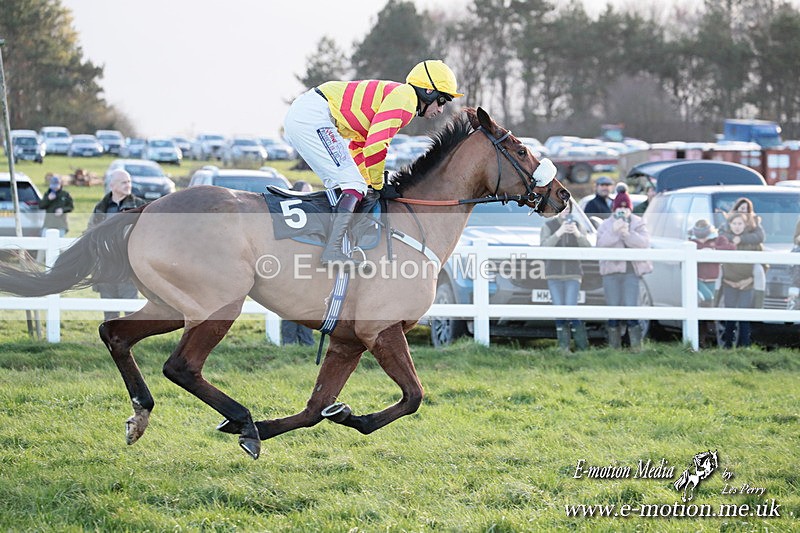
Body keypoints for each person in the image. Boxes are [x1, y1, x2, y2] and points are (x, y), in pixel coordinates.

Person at [283, 59, 463, 267]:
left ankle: (331, 242)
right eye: (441, 100)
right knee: (354, 185)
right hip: (313, 116)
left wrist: (369, 183)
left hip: (309, 113)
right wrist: (377, 185)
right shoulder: (404, 100)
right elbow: (376, 146)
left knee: (351, 185)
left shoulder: (400, 97)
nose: (440, 109)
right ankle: (332, 250)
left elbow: (360, 145)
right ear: (428, 92)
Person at [596, 190, 652, 351]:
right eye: (619, 208)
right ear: (614, 209)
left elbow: (643, 243)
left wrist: (628, 234)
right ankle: (614, 347)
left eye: (625, 208)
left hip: (631, 273)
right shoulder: (606, 225)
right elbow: (601, 244)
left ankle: (635, 346)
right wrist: (615, 230)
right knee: (613, 308)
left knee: (631, 307)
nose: (623, 211)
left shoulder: (638, 223)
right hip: (611, 272)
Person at [89, 169, 147, 321]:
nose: (128, 185)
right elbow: (90, 232)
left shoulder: (140, 207)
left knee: (130, 309)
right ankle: (111, 342)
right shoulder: (100, 208)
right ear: (112, 185)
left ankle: (131, 342)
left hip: (128, 266)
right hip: (105, 266)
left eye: (129, 182)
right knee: (109, 312)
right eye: (124, 182)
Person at [540, 203, 592, 352]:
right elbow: (543, 248)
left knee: (571, 308)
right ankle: (564, 347)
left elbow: (588, 248)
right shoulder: (549, 226)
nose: (565, 212)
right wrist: (559, 233)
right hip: (553, 274)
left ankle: (582, 347)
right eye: (562, 209)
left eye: (568, 210)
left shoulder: (578, 226)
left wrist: (577, 233)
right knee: (558, 310)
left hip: (573, 274)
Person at [688, 219, 734, 347]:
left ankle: (708, 340)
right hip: (695, 279)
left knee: (708, 307)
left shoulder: (718, 239)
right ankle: (701, 340)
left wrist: (712, 249)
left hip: (713, 279)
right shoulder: (691, 242)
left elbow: (731, 247)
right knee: (706, 301)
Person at [719, 212, 761, 348]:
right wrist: (728, 280)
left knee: (744, 315)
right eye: (734, 224)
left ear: (745, 225)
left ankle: (745, 345)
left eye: (740, 224)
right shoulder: (725, 242)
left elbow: (763, 264)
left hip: (747, 284)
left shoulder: (753, 244)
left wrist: (750, 280)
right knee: (730, 314)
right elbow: (719, 262)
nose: (737, 227)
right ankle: (727, 344)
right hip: (729, 283)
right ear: (730, 225)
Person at [724, 197, 767, 308]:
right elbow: (721, 235)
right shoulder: (728, 225)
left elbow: (759, 236)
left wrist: (741, 239)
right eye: (741, 208)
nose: (743, 211)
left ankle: (758, 309)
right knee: (729, 311)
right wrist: (733, 238)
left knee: (745, 311)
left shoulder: (755, 225)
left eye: (746, 209)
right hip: (729, 280)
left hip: (748, 279)